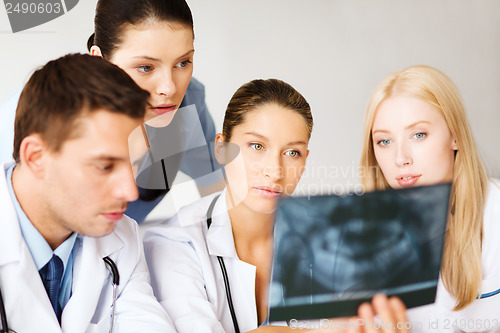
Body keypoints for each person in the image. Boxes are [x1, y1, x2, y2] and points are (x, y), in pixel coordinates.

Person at [144, 79, 409, 333]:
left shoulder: (336, 238)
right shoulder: (174, 242)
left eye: (292, 152)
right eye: (257, 146)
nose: (275, 171)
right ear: (221, 149)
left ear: (305, 159)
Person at [0, 0, 223, 223]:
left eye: (183, 63)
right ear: (100, 60)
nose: (169, 88)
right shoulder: (33, 114)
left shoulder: (187, 104)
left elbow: (220, 207)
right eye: (145, 67)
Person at [0, 53, 174, 332]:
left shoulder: (122, 237)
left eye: (136, 164)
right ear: (35, 157)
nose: (130, 192)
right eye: (105, 166)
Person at [360, 65, 500, 333]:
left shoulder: (495, 212)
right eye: (384, 142)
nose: (401, 158)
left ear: (455, 136)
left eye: (419, 134)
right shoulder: (360, 235)